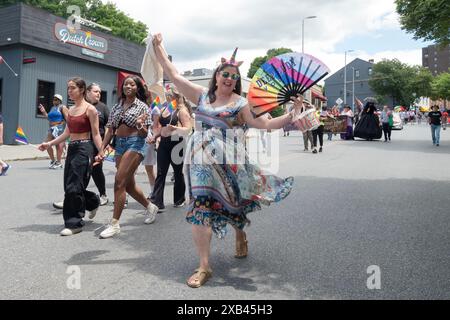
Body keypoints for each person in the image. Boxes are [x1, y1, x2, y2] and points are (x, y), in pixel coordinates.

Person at [153, 34, 300, 288]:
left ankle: (240, 233)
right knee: (201, 208)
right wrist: (158, 47)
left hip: (229, 163)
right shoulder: (199, 95)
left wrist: (291, 115)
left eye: (234, 76)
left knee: (235, 203)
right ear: (216, 75)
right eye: (226, 74)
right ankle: (204, 266)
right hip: (199, 162)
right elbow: (173, 75)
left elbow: (263, 124)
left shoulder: (241, 104)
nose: (230, 79)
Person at [38, 78, 102, 236]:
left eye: (72, 88)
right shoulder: (70, 110)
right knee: (70, 185)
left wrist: (101, 151)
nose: (69, 91)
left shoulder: (90, 110)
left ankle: (74, 223)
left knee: (74, 186)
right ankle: (93, 201)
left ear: (81, 89)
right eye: (68, 88)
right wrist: (50, 143)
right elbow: (67, 133)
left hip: (84, 148)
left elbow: (96, 133)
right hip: (72, 148)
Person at [97, 75, 159, 239]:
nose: (128, 86)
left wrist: (140, 125)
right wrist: (102, 149)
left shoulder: (143, 107)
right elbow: (110, 129)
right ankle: (150, 206)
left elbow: (145, 133)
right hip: (120, 145)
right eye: (126, 84)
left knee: (119, 182)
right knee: (128, 185)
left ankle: (115, 224)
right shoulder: (117, 106)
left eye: (132, 84)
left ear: (137, 88)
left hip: (136, 143)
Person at [149, 84, 192, 211]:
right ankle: (157, 202)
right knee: (161, 172)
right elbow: (161, 127)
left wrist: (176, 128)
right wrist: (155, 136)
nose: (166, 95)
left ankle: (179, 199)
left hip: (177, 143)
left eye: (169, 93)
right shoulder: (164, 109)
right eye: (166, 93)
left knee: (178, 172)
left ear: (175, 95)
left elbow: (188, 129)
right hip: (164, 143)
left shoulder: (182, 111)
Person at [38, 94, 69, 169]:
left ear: (60, 101)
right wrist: (44, 111)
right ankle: (53, 161)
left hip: (60, 128)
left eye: (56, 99)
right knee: (46, 144)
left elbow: (68, 119)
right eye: (54, 99)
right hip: (51, 128)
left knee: (59, 145)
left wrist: (67, 131)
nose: (54, 100)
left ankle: (58, 162)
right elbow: (48, 118)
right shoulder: (52, 108)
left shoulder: (62, 107)